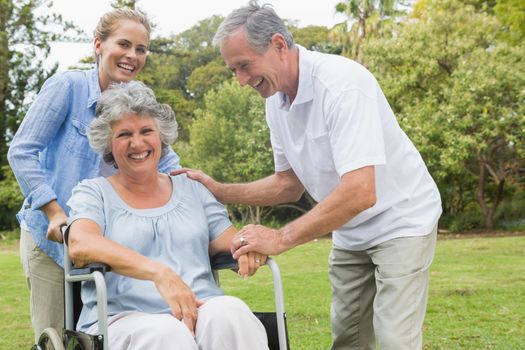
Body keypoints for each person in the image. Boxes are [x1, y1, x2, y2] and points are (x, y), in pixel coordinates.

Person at [172, 1, 442, 349]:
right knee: (349, 338)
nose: (240, 81)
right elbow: (288, 183)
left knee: (394, 339)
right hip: (350, 230)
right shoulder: (276, 101)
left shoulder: (343, 85)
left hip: (401, 221)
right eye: (232, 70)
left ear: (279, 46)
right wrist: (220, 190)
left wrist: (280, 239)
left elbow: (361, 191)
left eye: (244, 66)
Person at [7, 8, 181, 342]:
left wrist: (197, 192)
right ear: (98, 44)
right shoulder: (67, 87)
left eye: (141, 49)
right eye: (124, 44)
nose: (132, 55)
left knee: (103, 333)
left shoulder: (140, 97)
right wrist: (54, 211)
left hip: (106, 241)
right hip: (51, 241)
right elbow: (22, 150)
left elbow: (164, 159)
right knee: (56, 335)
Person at [66, 80, 268, 349]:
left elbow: (229, 241)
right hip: (123, 318)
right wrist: (159, 273)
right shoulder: (94, 192)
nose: (137, 143)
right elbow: (81, 244)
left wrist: (250, 244)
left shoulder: (192, 189)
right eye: (124, 134)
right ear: (108, 145)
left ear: (161, 137)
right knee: (166, 333)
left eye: (146, 131)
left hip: (200, 307)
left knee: (230, 312)